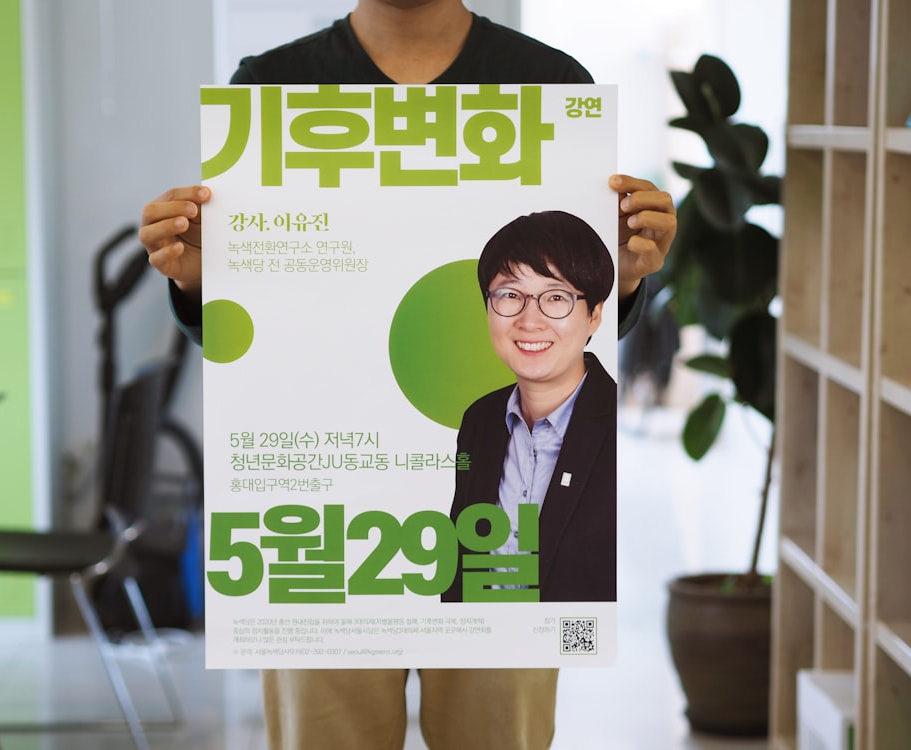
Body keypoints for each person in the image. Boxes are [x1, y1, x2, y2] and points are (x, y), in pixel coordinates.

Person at [139, 2, 677, 748]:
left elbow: (581, 333)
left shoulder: (550, 86)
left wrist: (625, 275)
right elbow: (258, 343)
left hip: (508, 516)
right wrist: (202, 282)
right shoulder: (272, 88)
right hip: (324, 520)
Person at [442, 211, 616, 604]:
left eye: (556, 297)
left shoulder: (621, 425)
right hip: (482, 651)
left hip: (577, 658)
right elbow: (463, 561)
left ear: (595, 315)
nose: (529, 320)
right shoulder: (480, 420)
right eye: (510, 295)